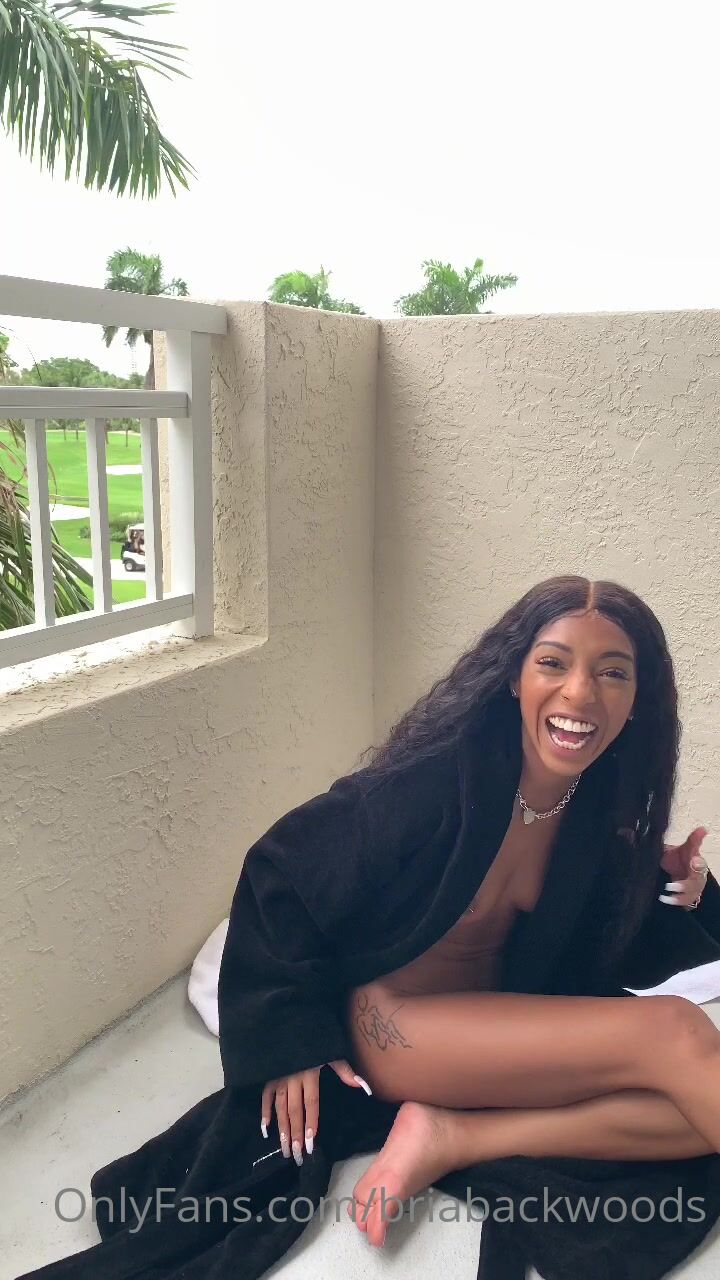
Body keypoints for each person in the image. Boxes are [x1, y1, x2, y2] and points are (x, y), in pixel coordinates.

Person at [243, 575, 715, 1250]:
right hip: (400, 1027)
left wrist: (678, 886)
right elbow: (281, 868)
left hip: (496, 1020)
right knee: (674, 1031)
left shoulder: (596, 813)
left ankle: (457, 1136)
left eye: (612, 672)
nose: (580, 693)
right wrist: (289, 1040)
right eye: (553, 663)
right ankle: (445, 1126)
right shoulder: (434, 782)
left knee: (688, 1103)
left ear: (638, 698)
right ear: (514, 677)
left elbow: (608, 946)